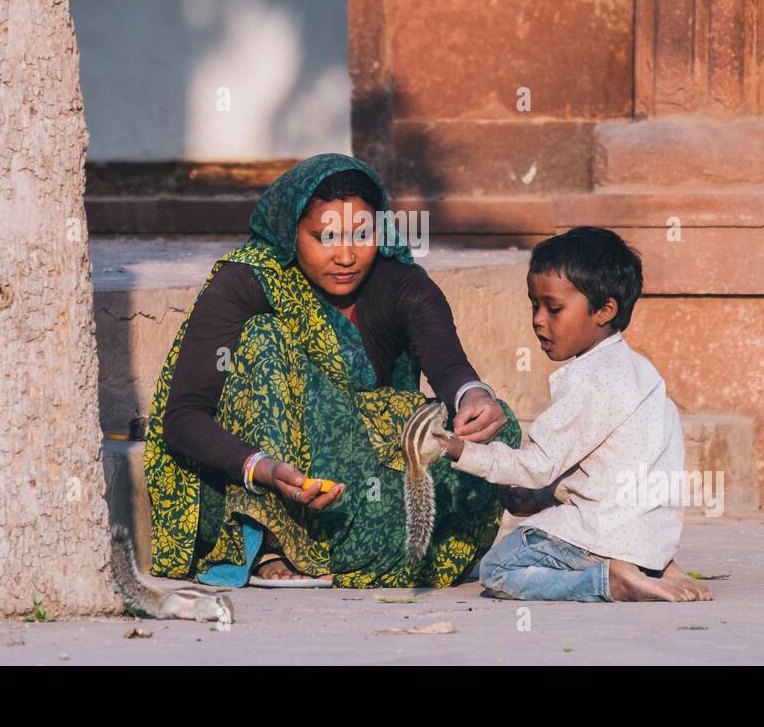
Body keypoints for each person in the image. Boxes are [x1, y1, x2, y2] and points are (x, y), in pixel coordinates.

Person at [142, 153, 521, 588]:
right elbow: (184, 417)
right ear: (291, 233)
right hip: (265, 476)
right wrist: (262, 468)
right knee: (266, 336)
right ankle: (274, 544)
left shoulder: (400, 281)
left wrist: (472, 396)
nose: (346, 256)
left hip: (360, 473)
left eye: (362, 235)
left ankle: (372, 548)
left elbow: (448, 365)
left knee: (501, 426)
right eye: (325, 237)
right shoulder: (248, 282)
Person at [442, 226, 716, 602]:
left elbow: (537, 466)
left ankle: (607, 582)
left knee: (498, 568)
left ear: (605, 311)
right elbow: (604, 468)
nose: (539, 320)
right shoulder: (642, 372)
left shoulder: (589, 381)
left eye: (553, 309)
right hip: (650, 537)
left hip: (603, 533)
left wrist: (460, 450)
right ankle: (656, 568)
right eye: (533, 305)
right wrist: (539, 500)